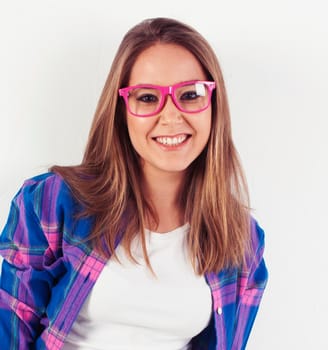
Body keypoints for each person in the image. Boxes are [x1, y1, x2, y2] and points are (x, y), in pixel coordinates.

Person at [0, 17, 268, 350]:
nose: (171, 117)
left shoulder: (241, 240)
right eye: (146, 98)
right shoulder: (51, 203)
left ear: (213, 105)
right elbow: (11, 333)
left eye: (190, 94)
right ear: (121, 110)